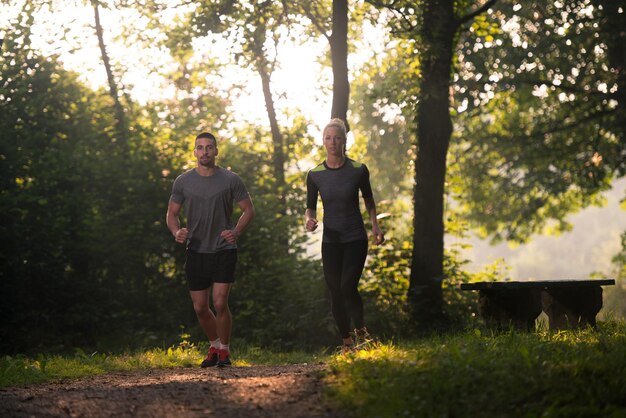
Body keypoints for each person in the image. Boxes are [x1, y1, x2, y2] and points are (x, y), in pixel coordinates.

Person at [167, 132, 254, 367]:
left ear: (216, 151)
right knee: (200, 307)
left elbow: (248, 210)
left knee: (219, 302)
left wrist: (235, 232)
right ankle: (215, 345)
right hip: (196, 250)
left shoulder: (231, 179)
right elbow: (171, 214)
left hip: (224, 248)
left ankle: (224, 351)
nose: (205, 152)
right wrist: (177, 232)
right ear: (195, 152)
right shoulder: (183, 181)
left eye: (209, 147)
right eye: (200, 148)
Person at [305, 118, 384, 353]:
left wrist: (375, 226)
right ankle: (347, 344)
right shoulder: (315, 174)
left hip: (355, 238)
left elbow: (369, 201)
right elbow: (310, 206)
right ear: (323, 141)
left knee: (348, 286)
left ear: (344, 140)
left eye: (337, 138)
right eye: (327, 138)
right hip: (331, 241)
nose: (332, 142)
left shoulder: (358, 170)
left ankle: (362, 332)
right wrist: (309, 219)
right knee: (335, 291)